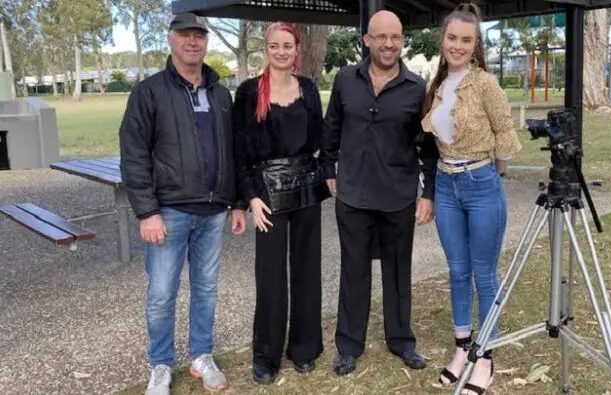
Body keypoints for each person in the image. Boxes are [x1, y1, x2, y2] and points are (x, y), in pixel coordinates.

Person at [119, 12, 245, 395]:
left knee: (206, 288)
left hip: (213, 211)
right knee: (161, 292)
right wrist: (147, 212)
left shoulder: (221, 94)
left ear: (206, 42)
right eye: (185, 35)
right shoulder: (149, 92)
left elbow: (235, 151)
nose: (193, 42)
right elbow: (134, 153)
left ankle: (201, 355)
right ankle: (160, 364)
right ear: (171, 40)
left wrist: (237, 202)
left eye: (199, 36)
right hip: (168, 211)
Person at [319, 10, 440, 376]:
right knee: (353, 272)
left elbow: (429, 146)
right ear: (367, 40)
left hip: (398, 195)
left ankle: (402, 341)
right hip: (353, 194)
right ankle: (349, 346)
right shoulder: (345, 80)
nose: (389, 44)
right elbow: (331, 128)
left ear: (401, 40)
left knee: (398, 271)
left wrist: (428, 192)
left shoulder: (417, 88)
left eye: (396, 37)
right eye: (381, 37)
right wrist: (328, 169)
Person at [420, 3, 522, 394]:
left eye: (466, 39)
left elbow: (506, 135)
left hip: (480, 184)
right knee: (457, 271)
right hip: (446, 186)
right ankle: (462, 347)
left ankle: (485, 357)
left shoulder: (485, 85)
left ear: (475, 43)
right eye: (452, 38)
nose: (457, 46)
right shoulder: (439, 84)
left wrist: (490, 175)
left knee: (484, 273)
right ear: (442, 40)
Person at [231, 22, 329, 384]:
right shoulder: (248, 92)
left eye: (288, 45)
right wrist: (250, 197)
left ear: (296, 49)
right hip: (267, 193)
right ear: (267, 50)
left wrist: (328, 174)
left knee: (307, 270)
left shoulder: (308, 89)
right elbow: (239, 152)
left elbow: (320, 139)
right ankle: (266, 356)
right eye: (275, 45)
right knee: (270, 275)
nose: (282, 51)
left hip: (305, 189)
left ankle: (304, 348)